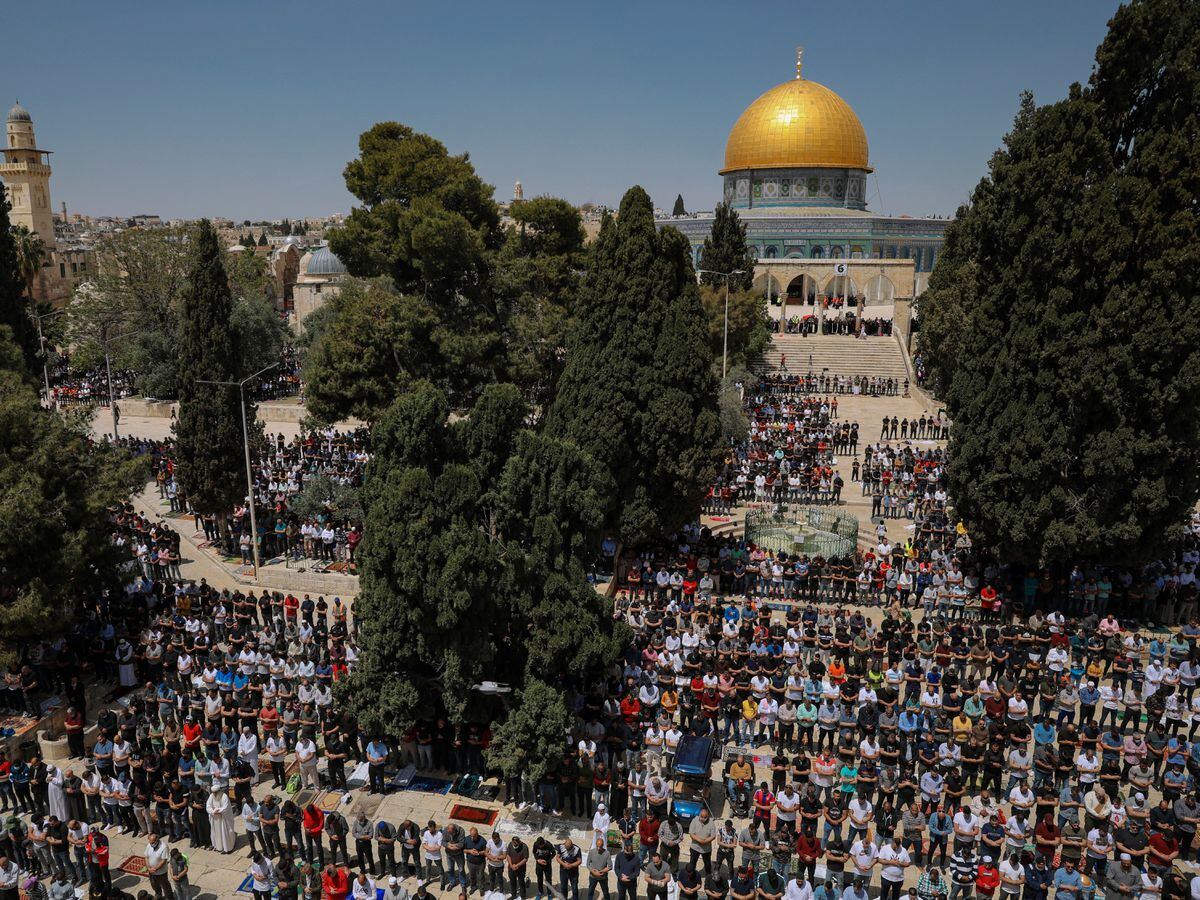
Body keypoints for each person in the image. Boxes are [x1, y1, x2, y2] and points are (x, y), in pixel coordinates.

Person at [206, 784, 236, 853]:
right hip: (215, 819)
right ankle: (218, 846)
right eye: (213, 792)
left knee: (225, 833)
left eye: (216, 792)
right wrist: (213, 811)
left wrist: (216, 810)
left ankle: (227, 848)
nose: (215, 794)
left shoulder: (224, 796)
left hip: (223, 819)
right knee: (216, 833)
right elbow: (208, 806)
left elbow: (225, 808)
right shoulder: (211, 796)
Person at [146, 833, 172, 900]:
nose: (151, 844)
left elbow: (163, 861)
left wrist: (155, 869)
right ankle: (158, 895)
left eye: (152, 842)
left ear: (157, 840)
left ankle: (169, 897)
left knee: (165, 885)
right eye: (150, 842)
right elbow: (146, 857)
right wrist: (149, 868)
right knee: (154, 884)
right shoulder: (149, 845)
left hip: (161, 872)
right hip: (151, 871)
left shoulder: (164, 847)